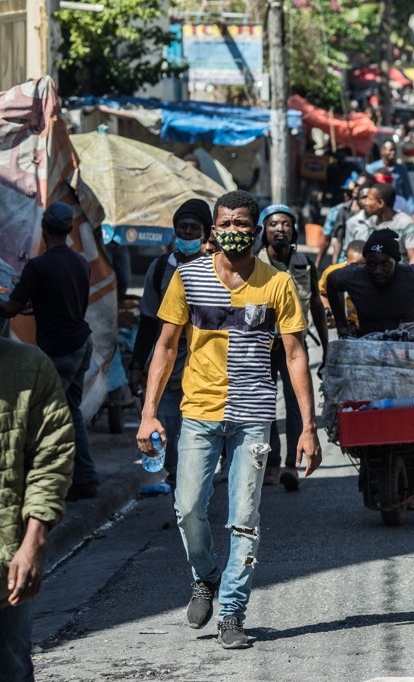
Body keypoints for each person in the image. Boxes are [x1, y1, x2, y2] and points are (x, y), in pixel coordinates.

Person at [136, 190, 323, 650]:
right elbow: (165, 346)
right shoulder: (188, 277)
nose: (234, 232)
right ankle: (205, 576)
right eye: (226, 224)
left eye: (243, 224)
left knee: (244, 518)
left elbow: (296, 355)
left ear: (256, 232)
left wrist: (307, 428)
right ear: (213, 229)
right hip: (198, 413)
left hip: (254, 415)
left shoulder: (277, 283)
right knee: (187, 509)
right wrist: (147, 414)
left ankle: (233, 612)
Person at [0, 250, 74, 681]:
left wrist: (33, 542)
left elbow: (52, 458)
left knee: (13, 669)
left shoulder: (27, 366)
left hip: (7, 551)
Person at [0, 201, 97, 501]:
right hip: (81, 342)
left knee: (46, 416)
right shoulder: (80, 262)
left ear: (43, 228)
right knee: (71, 412)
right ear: (68, 229)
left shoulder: (38, 267)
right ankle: (86, 478)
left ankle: (45, 483)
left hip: (60, 348)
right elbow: (64, 299)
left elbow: (10, 308)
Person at [130, 198, 212, 487]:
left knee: (200, 438)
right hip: (166, 369)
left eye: (193, 228)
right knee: (166, 435)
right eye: (182, 228)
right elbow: (148, 320)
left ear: (205, 233)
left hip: (204, 370)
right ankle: (181, 485)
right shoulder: (160, 268)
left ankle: (198, 486)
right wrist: (137, 364)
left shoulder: (215, 268)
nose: (187, 234)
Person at [257, 204, 330, 487]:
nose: (280, 229)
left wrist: (326, 346)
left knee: (297, 401)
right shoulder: (255, 264)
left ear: (294, 230)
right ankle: (271, 463)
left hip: (293, 344)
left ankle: (292, 464)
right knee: (266, 405)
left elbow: (314, 303)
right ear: (264, 231)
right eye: (274, 224)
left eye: (286, 224)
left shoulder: (304, 263)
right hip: (262, 345)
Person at [327, 229, 414, 337]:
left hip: (408, 344)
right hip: (368, 343)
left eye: (384, 264)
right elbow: (331, 281)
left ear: (396, 261)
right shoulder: (353, 276)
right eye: (371, 264)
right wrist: (341, 325)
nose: (378, 271)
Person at [345, 183, 414, 264]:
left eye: (369, 199)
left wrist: (406, 275)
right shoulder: (372, 221)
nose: (365, 203)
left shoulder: (404, 223)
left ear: (380, 203)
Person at [320, 240, 365, 332]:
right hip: (346, 328)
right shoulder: (332, 273)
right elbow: (322, 293)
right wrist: (329, 309)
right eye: (354, 265)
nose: (358, 269)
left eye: (363, 264)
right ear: (345, 259)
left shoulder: (375, 275)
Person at [316, 176, 358, 270]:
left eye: (350, 193)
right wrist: (317, 263)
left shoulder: (365, 214)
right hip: (342, 260)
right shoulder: (336, 211)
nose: (346, 195)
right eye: (345, 192)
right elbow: (327, 238)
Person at [366, 141, 414, 214]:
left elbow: (407, 192)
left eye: (394, 150)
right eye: (390, 150)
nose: (393, 153)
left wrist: (412, 211)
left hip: (396, 206)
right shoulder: (372, 169)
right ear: (382, 151)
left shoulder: (401, 169)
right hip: (378, 206)